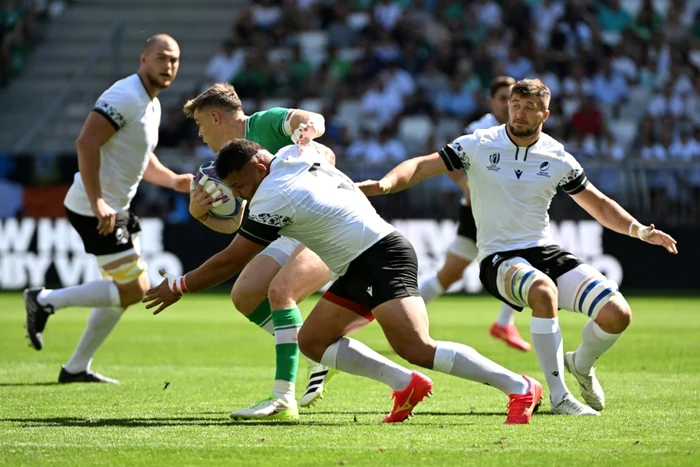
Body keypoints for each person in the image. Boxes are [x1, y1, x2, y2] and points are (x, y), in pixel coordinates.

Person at [142, 139, 543, 425]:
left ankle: (520, 385)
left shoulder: (271, 194)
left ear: (258, 170)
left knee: (417, 346)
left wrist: (178, 287)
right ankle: (406, 387)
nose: (241, 196)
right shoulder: (293, 153)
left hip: (382, 254)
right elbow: (314, 141)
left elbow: (231, 259)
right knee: (312, 340)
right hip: (356, 263)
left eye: (240, 186)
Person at [357, 78, 678, 415]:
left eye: (529, 108)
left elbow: (598, 204)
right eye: (515, 105)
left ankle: (581, 365)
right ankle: (559, 398)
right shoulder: (479, 143)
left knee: (617, 314)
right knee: (543, 290)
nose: (519, 113)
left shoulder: (557, 157)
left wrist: (640, 231)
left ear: (545, 114)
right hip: (498, 257)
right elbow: (423, 165)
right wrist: (386, 183)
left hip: (544, 250)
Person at [23, 34, 192, 383]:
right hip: (93, 208)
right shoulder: (125, 95)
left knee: (121, 293)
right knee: (135, 289)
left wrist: (174, 181)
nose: (168, 65)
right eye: (161, 57)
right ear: (143, 59)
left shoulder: (151, 103)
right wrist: (98, 200)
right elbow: (86, 141)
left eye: (174, 60)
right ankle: (43, 300)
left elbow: (140, 159)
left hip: (117, 208)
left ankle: (75, 368)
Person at [182, 83, 337, 419]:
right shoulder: (228, 164)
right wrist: (202, 215)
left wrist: (309, 132)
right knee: (245, 295)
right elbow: (238, 225)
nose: (199, 134)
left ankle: (292, 387)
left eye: (199, 124)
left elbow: (313, 120)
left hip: (325, 222)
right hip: (291, 231)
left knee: (279, 292)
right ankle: (319, 356)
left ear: (215, 117)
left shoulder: (264, 123)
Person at [419, 75, 531, 352]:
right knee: (523, 255)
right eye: (504, 98)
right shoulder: (480, 129)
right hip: (479, 211)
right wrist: (465, 185)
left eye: (514, 99)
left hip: (502, 210)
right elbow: (448, 160)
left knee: (452, 274)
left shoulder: (522, 128)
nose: (509, 104)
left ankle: (401, 307)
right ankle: (400, 307)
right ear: (492, 101)